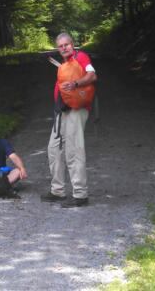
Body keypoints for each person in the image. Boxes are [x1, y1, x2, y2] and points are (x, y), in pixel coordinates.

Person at [40, 33, 97, 208]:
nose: (64, 48)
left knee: (74, 150)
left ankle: (80, 195)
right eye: (60, 46)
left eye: (66, 44)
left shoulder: (81, 57)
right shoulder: (64, 64)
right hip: (62, 111)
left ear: (72, 45)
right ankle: (58, 190)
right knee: (54, 148)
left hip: (77, 110)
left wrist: (76, 84)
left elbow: (92, 75)